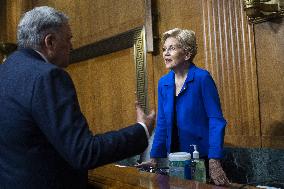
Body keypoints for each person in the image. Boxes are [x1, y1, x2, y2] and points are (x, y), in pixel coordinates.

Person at [0, 6, 155, 189]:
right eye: (69, 38)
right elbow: (84, 152)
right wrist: (141, 129)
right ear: (50, 42)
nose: (72, 46)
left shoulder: (6, 70)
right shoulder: (47, 76)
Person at [137, 28, 229, 185]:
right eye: (164, 49)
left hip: (201, 159)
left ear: (187, 54)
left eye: (172, 48)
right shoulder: (163, 83)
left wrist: (215, 161)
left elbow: (216, 120)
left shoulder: (202, 78)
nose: (166, 53)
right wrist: (154, 158)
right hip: (175, 160)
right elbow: (162, 124)